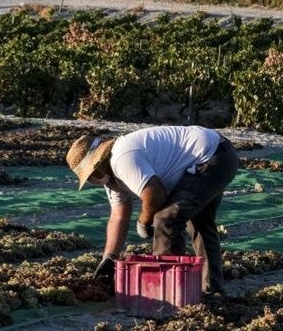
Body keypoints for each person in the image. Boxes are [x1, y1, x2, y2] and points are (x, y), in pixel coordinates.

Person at [66, 125, 239, 298]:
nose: (92, 181)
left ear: (98, 165)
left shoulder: (121, 159)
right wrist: (109, 257)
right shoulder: (111, 180)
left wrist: (143, 221)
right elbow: (119, 216)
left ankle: (169, 294)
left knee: (165, 221)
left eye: (90, 176)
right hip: (218, 152)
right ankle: (211, 289)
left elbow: (155, 195)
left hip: (211, 157)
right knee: (200, 222)